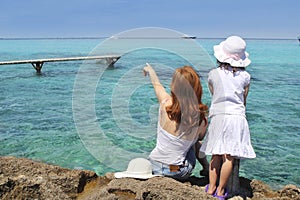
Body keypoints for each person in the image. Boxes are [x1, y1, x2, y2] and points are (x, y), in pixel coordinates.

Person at [200, 36, 256, 199]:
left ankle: (211, 188)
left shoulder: (213, 74)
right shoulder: (245, 77)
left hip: (219, 116)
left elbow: (213, 92)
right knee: (229, 156)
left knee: (215, 154)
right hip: (236, 117)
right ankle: (222, 191)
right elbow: (243, 100)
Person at [143, 64, 209, 181]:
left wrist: (150, 71)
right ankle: (207, 168)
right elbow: (200, 139)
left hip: (154, 164)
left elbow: (157, 86)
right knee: (194, 143)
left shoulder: (165, 104)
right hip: (174, 170)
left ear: (174, 86)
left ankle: (206, 167)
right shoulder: (200, 119)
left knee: (189, 142)